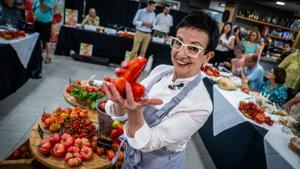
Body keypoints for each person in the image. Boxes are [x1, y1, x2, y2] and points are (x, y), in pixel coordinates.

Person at [103, 11, 219, 169]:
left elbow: (149, 142)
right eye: (178, 42)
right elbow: (118, 112)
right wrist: (122, 95)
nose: (181, 53)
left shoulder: (201, 105)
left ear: (207, 57)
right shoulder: (161, 71)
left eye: (193, 49)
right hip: (131, 155)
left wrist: (134, 111)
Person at [33, 0, 55, 64]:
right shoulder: (36, 1)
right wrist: (35, 15)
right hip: (37, 23)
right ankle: (39, 56)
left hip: (46, 23)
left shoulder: (51, 1)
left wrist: (41, 1)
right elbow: (34, 9)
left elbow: (44, 10)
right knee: (37, 40)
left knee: (46, 40)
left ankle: (48, 57)